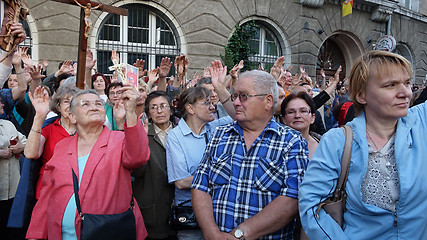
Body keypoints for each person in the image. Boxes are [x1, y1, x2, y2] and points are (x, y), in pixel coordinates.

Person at [298, 50, 427, 239]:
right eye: (390, 85)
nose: (405, 93)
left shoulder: (421, 123)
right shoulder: (337, 141)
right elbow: (310, 206)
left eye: (407, 83)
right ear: (361, 95)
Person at [191, 70, 309, 239]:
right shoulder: (219, 135)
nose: (237, 102)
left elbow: (292, 200)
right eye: (235, 96)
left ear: (268, 101)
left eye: (244, 96)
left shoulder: (291, 142)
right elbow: (200, 187)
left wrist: (240, 234)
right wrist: (211, 233)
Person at [26, 85, 150, 240]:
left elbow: (138, 157)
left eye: (98, 104)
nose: (94, 107)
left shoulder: (119, 139)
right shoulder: (62, 147)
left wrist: (131, 112)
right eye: (85, 104)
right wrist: (36, 234)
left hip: (107, 231)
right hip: (63, 234)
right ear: (72, 116)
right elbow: (48, 191)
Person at [166, 87, 232, 240]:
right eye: (206, 103)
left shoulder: (215, 128)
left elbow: (238, 116)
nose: (212, 107)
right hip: (191, 212)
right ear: (190, 108)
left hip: (219, 210)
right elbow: (181, 182)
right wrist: (222, 177)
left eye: (211, 102)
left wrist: (221, 86)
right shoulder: (176, 136)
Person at [132, 91, 176, 240]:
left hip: (180, 210)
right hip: (151, 210)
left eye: (163, 106)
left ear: (170, 109)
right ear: (148, 114)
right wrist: (141, 143)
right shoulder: (143, 134)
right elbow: (136, 171)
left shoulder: (181, 133)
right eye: (153, 107)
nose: (159, 111)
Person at [24, 84, 80, 199]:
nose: (70, 106)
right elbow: (31, 153)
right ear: (58, 107)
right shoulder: (49, 128)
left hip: (78, 189)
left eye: (75, 102)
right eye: (66, 101)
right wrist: (39, 116)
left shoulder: (87, 129)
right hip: (49, 190)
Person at [0, 98, 27, 239]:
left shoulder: (8, 124)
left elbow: (27, 143)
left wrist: (20, 147)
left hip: (13, 190)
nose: (2, 104)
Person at [282, 91, 319, 159]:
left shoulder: (322, 144)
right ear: (284, 119)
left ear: (313, 118)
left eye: (303, 111)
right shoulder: (276, 146)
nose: (297, 116)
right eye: (291, 112)